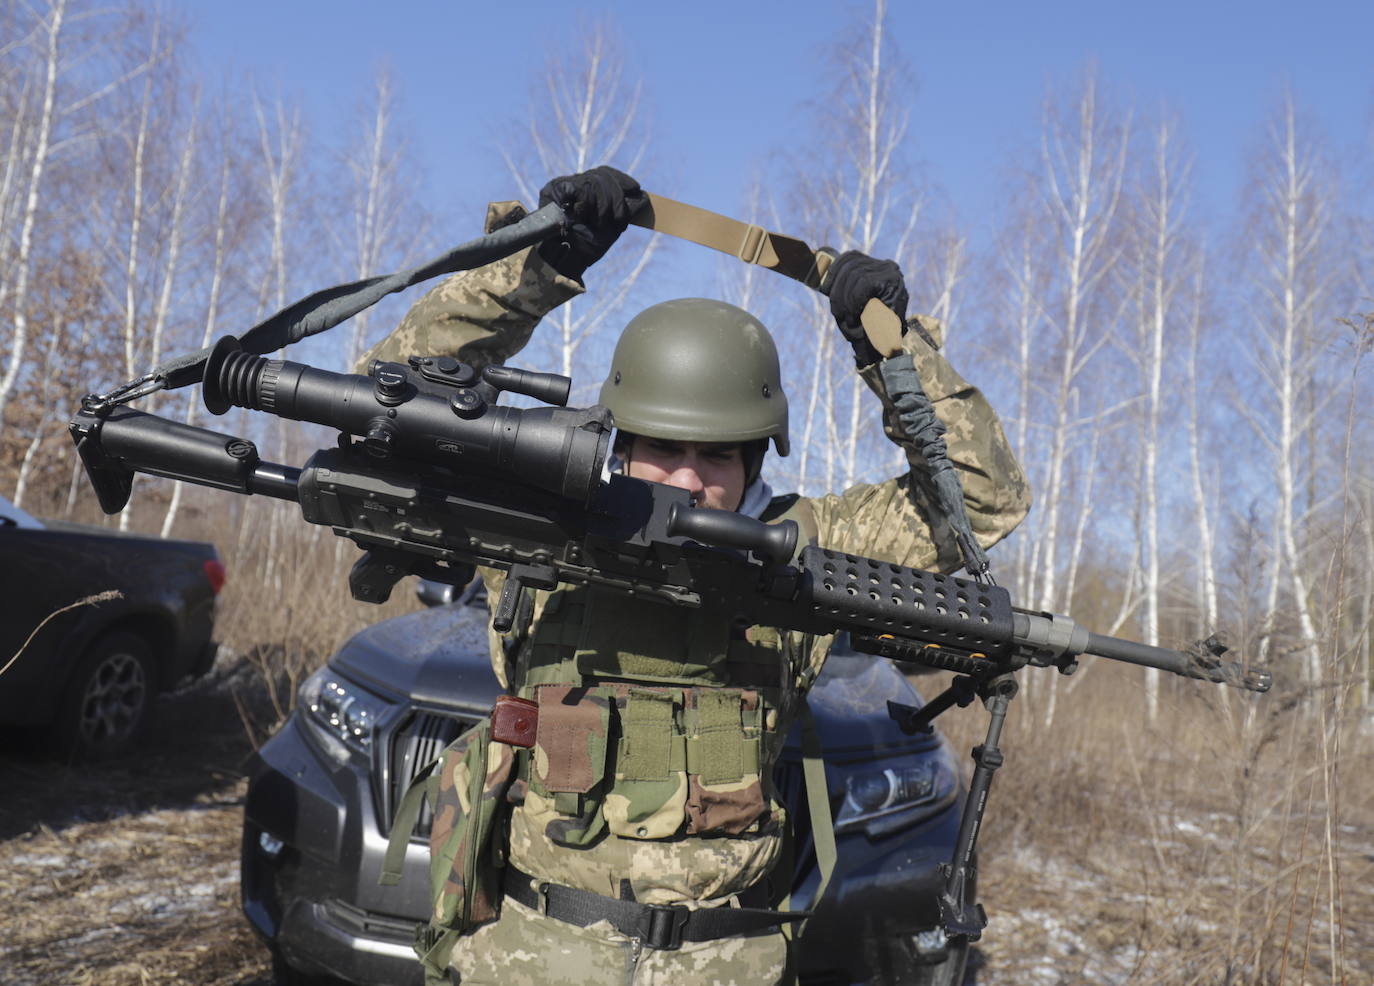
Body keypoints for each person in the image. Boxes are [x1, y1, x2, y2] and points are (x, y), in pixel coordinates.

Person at [360, 167, 1030, 985]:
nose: (687, 480)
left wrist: (891, 349)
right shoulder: (540, 521)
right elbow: (390, 400)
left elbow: (984, 497)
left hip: (729, 961)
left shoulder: (800, 548)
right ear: (619, 441)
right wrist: (542, 260)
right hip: (533, 954)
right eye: (664, 449)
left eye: (716, 455)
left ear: (754, 459)